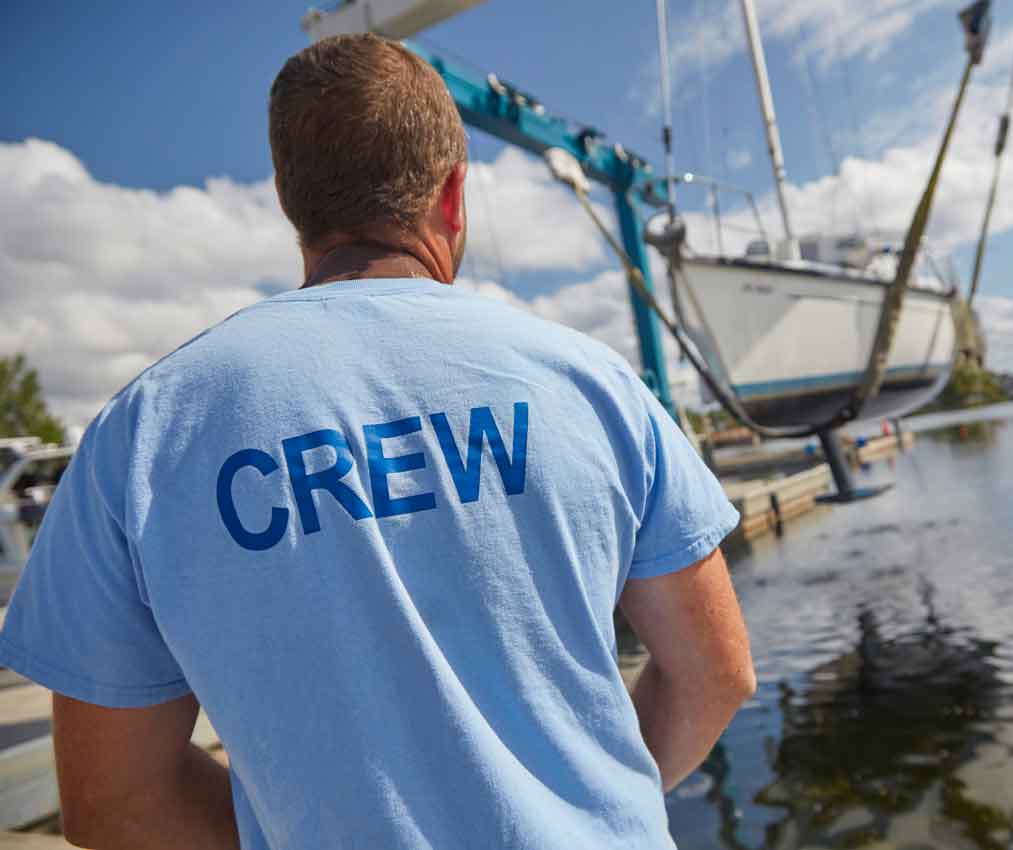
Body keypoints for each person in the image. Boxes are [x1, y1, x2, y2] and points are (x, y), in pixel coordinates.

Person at [0, 33, 754, 850]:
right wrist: (583, 807)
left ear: (293, 203)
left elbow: (114, 803)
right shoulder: (592, 384)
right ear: (454, 196)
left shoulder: (141, 436)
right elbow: (716, 672)